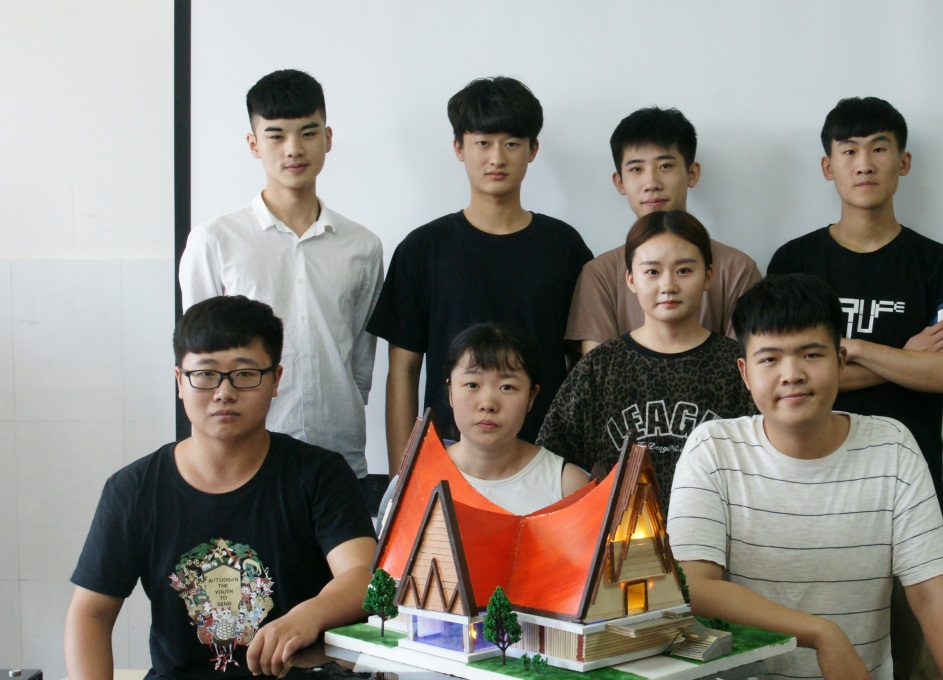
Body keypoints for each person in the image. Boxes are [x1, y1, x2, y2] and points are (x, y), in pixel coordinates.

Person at [766, 97, 943, 679]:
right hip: (803, 494)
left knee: (910, 659)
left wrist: (857, 349)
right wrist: (908, 356)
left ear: (903, 162)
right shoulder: (794, 262)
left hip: (905, 494)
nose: (864, 163)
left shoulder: (940, 265)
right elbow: (783, 384)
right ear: (828, 166)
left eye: (879, 148)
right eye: (848, 151)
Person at [667, 274, 943, 680]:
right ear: (745, 373)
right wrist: (821, 633)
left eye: (811, 354)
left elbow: (932, 598)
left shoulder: (892, 447)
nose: (792, 374)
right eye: (770, 359)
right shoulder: (713, 448)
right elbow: (694, 586)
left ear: (841, 361)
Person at [65, 296, 376, 679]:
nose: (224, 392)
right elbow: (91, 614)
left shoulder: (319, 475)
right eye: (205, 374)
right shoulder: (134, 489)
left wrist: (307, 616)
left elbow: (363, 575)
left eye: (245, 373)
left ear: (275, 379)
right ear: (180, 381)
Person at [178, 69, 384, 505]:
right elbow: (199, 358)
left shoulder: (362, 245)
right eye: (275, 136)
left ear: (327, 138)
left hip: (339, 454)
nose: (293, 149)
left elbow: (359, 363)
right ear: (253, 144)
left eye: (308, 133)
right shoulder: (216, 240)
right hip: (244, 460)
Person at [367, 76, 591, 475]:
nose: (496, 158)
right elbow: (402, 370)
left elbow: (582, 366)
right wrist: (404, 475)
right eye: (483, 143)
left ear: (533, 150)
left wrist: (579, 462)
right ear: (459, 147)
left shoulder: (564, 246)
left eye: (512, 143)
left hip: (547, 456)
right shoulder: (423, 248)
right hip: (449, 456)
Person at [538, 210, 755, 506]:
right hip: (619, 532)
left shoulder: (737, 366)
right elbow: (551, 461)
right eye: (652, 271)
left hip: (720, 528)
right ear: (630, 279)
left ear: (708, 276)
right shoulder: (601, 366)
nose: (668, 285)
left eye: (684, 270)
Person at [565, 107, 761, 356]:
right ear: (620, 182)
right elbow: (597, 370)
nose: (652, 184)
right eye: (636, 169)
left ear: (692, 173)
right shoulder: (600, 274)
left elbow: (749, 364)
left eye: (665, 166)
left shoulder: (737, 269)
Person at [443, 324, 589, 514]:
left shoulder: (567, 485)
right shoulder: (418, 473)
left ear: (531, 396)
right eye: (472, 384)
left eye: (506, 387)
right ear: (450, 392)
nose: (488, 403)